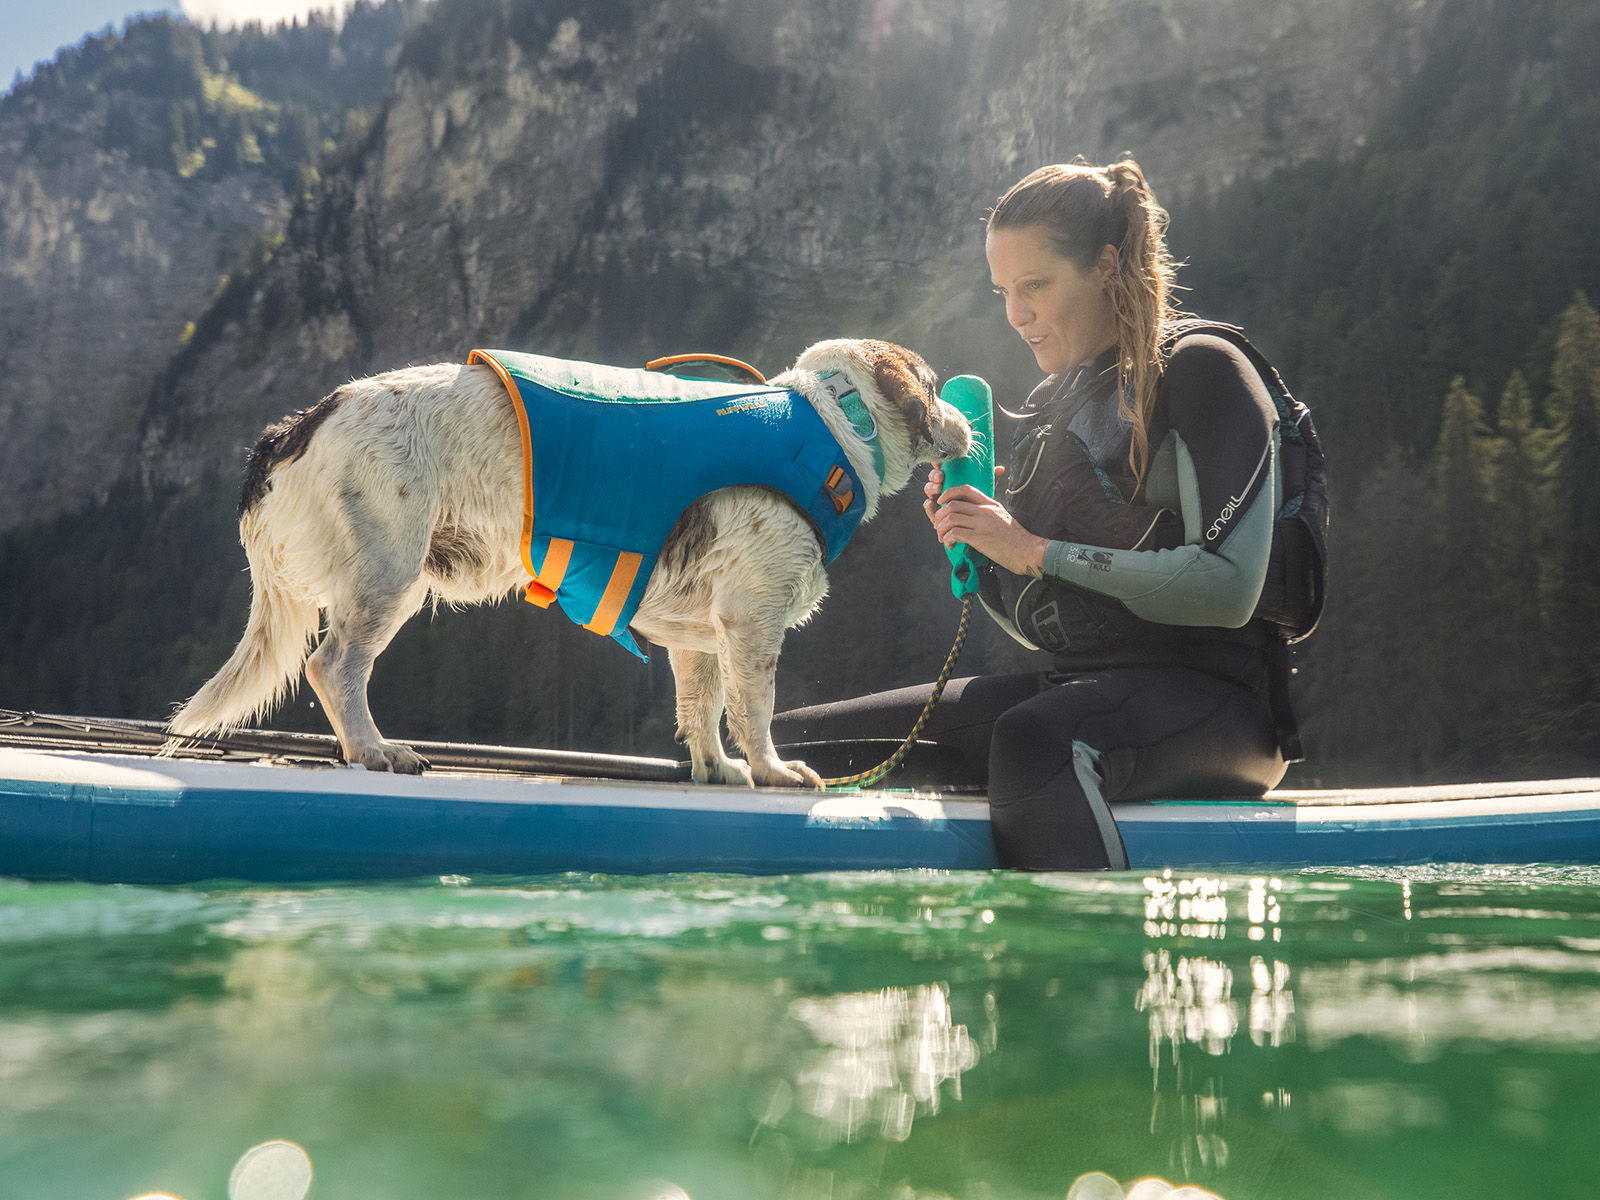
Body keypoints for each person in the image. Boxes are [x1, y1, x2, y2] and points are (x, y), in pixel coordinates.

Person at [771, 158, 1294, 870]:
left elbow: (1232, 591)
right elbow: (1035, 622)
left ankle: (1091, 975)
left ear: (1106, 265)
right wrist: (982, 550)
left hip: (1222, 703)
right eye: (1003, 293)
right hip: (1078, 690)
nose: (1016, 315)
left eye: (1035, 287)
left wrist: (1034, 551)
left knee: (1034, 741)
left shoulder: (1207, 371)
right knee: (786, 746)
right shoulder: (1057, 409)